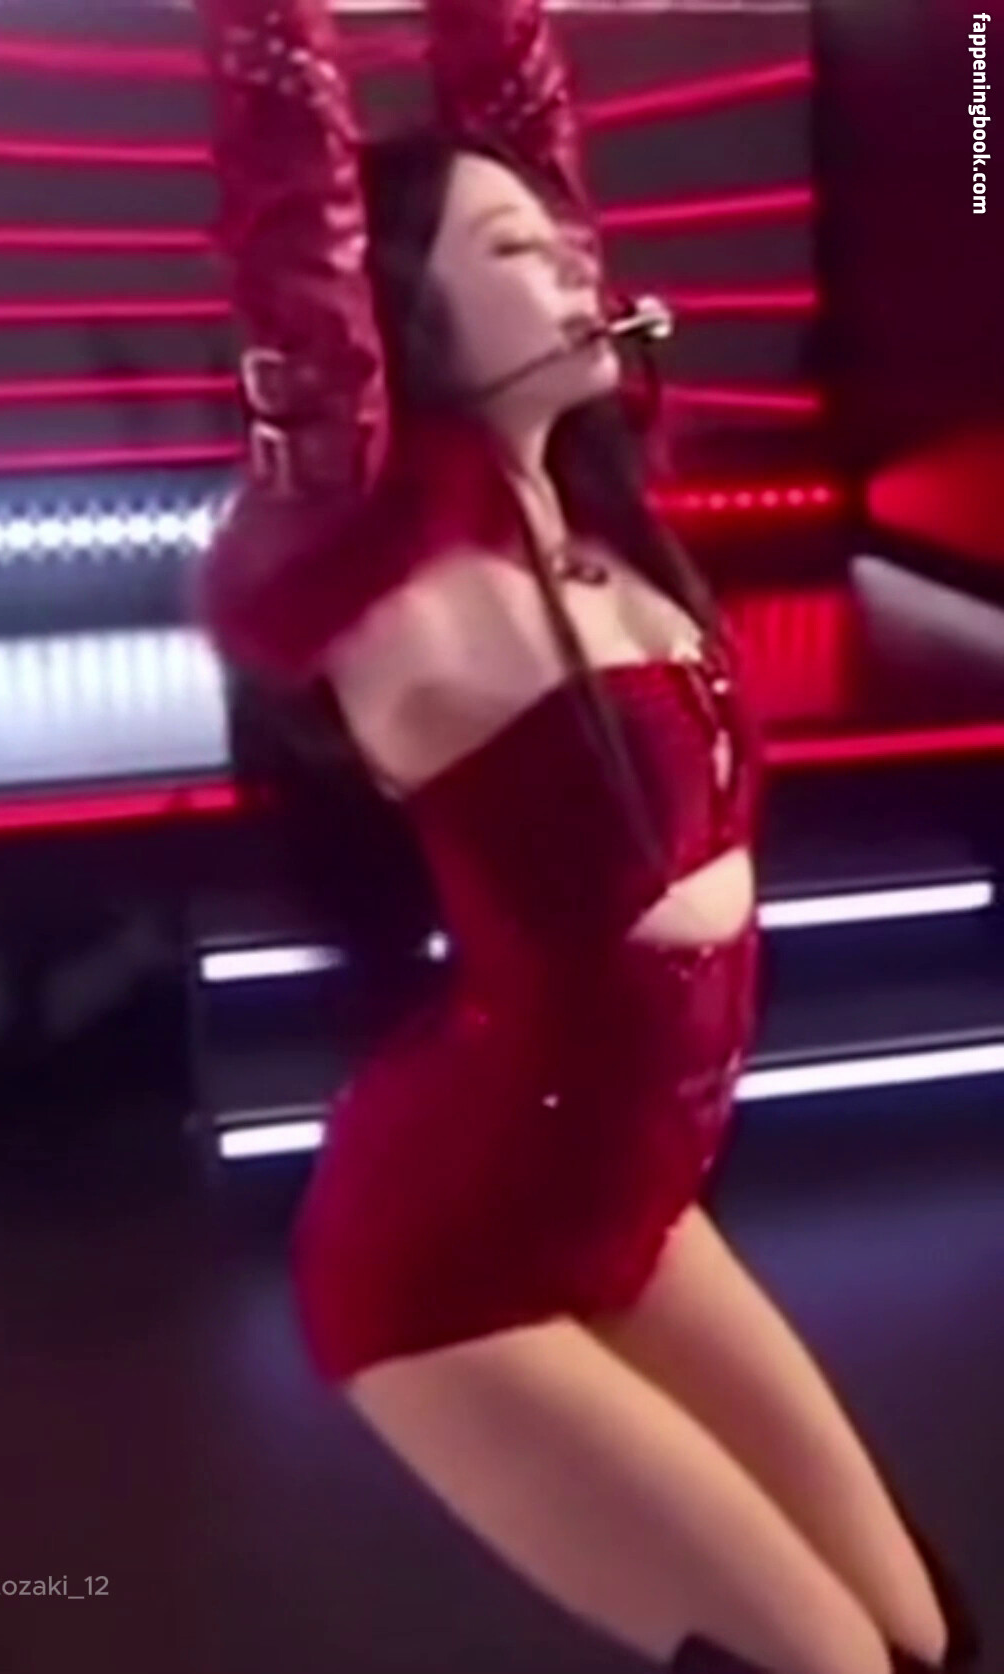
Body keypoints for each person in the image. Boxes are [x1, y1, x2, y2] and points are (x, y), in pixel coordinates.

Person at [192, 1, 980, 1671]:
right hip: (454, 1256)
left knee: (922, 1631)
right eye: (510, 251)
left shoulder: (605, 537)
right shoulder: (389, 579)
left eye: (568, 243)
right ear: (400, 310)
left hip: (633, 1202)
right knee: (826, 1664)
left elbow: (532, 139)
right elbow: (296, 256)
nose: (572, 264)